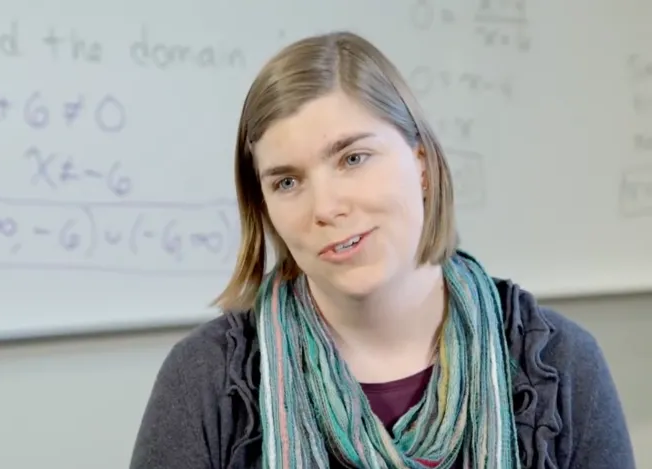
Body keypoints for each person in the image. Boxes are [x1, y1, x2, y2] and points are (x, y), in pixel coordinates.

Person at [129, 31, 636, 469]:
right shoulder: (206, 379)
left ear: (420, 164)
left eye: (353, 158)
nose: (325, 207)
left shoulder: (562, 364)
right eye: (287, 182)